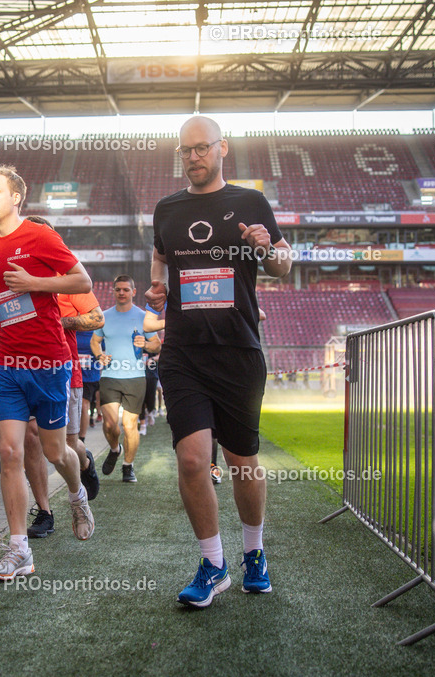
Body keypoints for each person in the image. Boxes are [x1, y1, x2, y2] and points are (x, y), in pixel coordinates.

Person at [147, 115, 292, 608]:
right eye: (185, 150)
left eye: (201, 148)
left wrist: (267, 249)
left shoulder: (251, 202)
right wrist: (157, 284)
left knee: (241, 462)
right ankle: (213, 564)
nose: (193, 157)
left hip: (238, 352)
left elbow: (284, 263)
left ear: (222, 148)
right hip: (183, 352)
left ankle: (255, 553)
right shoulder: (167, 208)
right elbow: (160, 256)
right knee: (192, 459)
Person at [0, 165, 95, 581]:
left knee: (56, 452)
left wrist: (35, 282)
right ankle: (19, 549)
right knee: (10, 453)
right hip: (9, 363)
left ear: (16, 197)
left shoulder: (41, 236)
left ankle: (76, 494)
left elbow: (82, 280)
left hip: (48, 362)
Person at [19, 215, 104, 538]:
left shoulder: (67, 278)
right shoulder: (15, 278)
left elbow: (97, 318)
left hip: (64, 371)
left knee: (65, 446)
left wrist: (62, 322)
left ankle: (85, 463)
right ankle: (45, 511)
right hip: (23, 369)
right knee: (31, 437)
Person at [91, 275, 161, 483]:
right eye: (118, 289)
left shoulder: (143, 317)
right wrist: (99, 355)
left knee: (130, 425)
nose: (122, 293)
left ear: (133, 292)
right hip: (110, 376)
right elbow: (95, 341)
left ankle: (128, 466)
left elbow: (157, 344)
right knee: (110, 424)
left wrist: (145, 344)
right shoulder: (104, 316)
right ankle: (115, 449)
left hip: (135, 377)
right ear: (113, 291)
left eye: (126, 289)